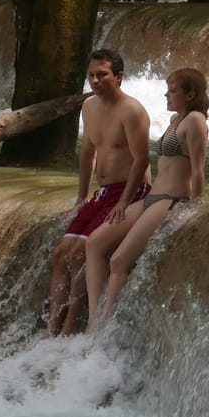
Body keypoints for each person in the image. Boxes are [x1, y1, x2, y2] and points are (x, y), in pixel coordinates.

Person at [83, 68, 209, 328]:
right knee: (94, 243)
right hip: (152, 198)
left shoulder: (196, 120)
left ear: (190, 94)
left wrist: (195, 208)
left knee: (119, 260)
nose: (166, 94)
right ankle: (93, 320)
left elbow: (198, 171)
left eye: (172, 90)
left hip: (170, 200)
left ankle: (103, 328)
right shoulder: (176, 119)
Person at [47, 49, 149, 336]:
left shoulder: (133, 111)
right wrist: (82, 196)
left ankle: (71, 327)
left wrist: (126, 201)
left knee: (79, 251)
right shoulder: (89, 107)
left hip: (131, 190)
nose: (95, 80)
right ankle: (52, 327)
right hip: (103, 192)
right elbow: (88, 152)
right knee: (59, 253)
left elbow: (142, 160)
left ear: (119, 77)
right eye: (91, 75)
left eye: (102, 75)